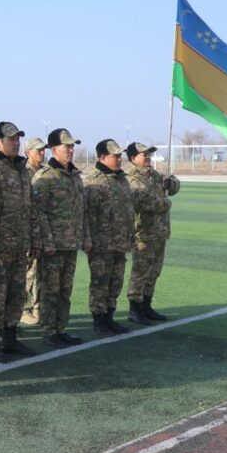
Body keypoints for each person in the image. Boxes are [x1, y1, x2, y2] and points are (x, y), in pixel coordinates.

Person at [0, 121, 37, 361]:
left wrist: (32, 238)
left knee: (16, 294)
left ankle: (10, 338)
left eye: (18, 139)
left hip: (20, 245)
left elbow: (30, 208)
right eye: (11, 139)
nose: (16, 143)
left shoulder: (22, 170)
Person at [32, 128, 90, 348]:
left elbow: (81, 210)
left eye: (72, 146)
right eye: (67, 146)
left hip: (70, 244)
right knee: (50, 290)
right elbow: (38, 213)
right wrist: (46, 242)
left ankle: (60, 328)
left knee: (65, 290)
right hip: (53, 246)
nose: (71, 150)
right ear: (54, 149)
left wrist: (84, 237)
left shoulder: (75, 177)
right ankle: (49, 330)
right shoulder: (45, 177)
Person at [82, 139, 135, 336]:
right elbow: (86, 214)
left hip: (120, 242)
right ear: (102, 157)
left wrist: (130, 236)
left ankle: (110, 317)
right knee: (100, 284)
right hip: (101, 245)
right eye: (115, 156)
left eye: (120, 156)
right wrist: (88, 239)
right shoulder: (94, 181)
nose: (119, 159)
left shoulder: (121, 179)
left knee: (115, 283)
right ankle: (99, 320)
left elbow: (128, 210)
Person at [126, 142, 180, 325]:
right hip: (143, 234)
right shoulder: (133, 178)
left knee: (154, 271)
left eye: (148, 154)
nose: (148, 157)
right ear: (133, 158)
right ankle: (135, 308)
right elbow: (145, 202)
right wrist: (166, 202)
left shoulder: (154, 175)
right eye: (144, 155)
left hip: (160, 232)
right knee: (141, 272)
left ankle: (146, 305)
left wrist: (171, 183)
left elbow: (174, 187)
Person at [21, 136, 48, 326]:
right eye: (38, 150)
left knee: (42, 273)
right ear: (28, 152)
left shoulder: (46, 173)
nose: (42, 153)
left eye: (43, 149)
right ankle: (24, 309)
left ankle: (39, 308)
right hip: (28, 229)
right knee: (28, 273)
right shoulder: (24, 173)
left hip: (44, 229)